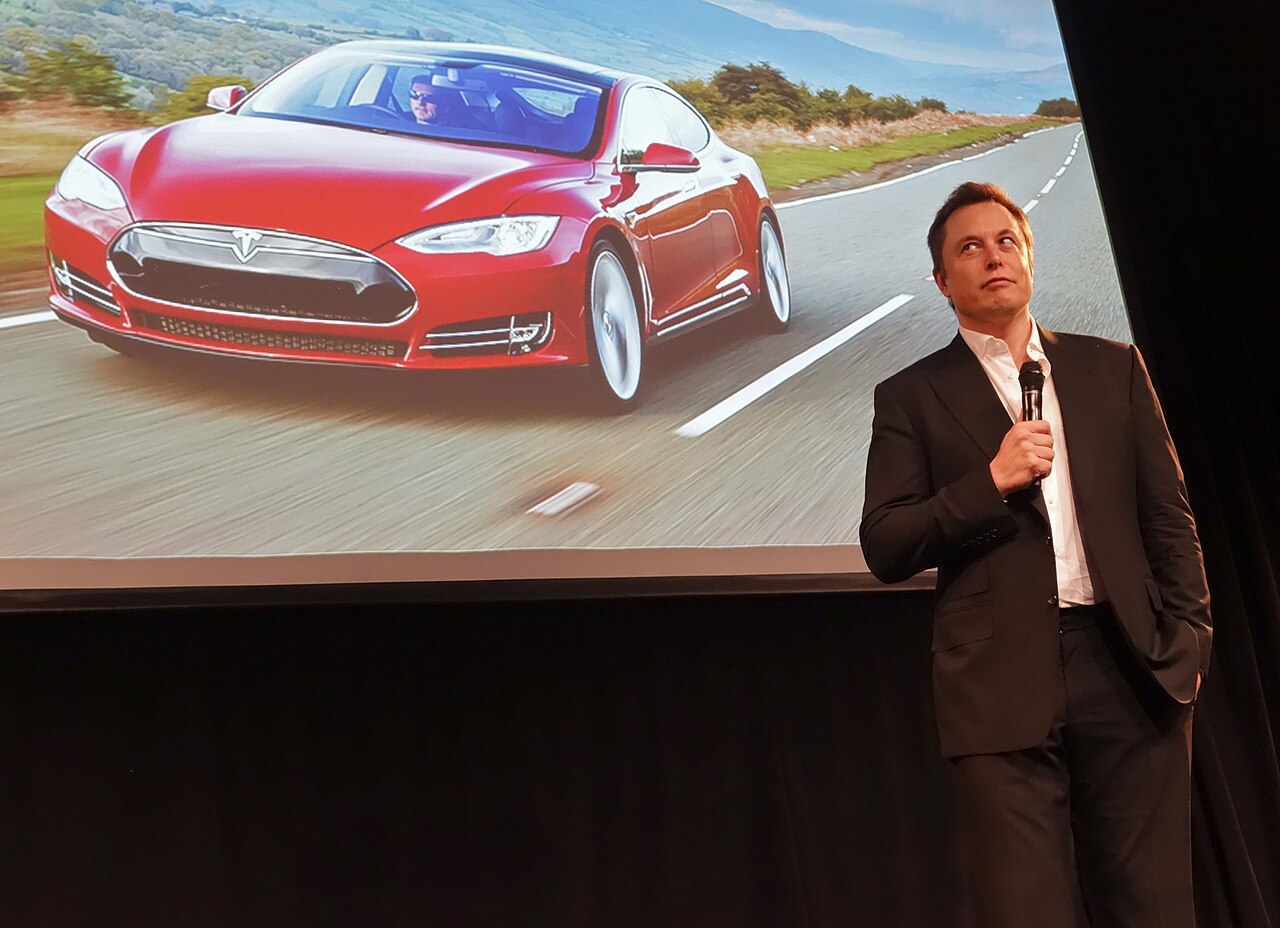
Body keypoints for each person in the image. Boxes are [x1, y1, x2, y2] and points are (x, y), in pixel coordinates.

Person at [860, 181, 1211, 928]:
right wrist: (989, 482)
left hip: (1129, 665)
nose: (994, 257)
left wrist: (1187, 643)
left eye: (1007, 241)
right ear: (941, 280)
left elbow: (1169, 520)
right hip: (998, 686)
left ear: (1029, 257)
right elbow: (886, 542)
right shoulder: (912, 395)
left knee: (1152, 908)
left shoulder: (1112, 368)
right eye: (970, 247)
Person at [407, 74, 478, 130]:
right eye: (415, 94)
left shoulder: (463, 132)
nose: (420, 102)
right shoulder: (402, 122)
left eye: (429, 98)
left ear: (446, 105)